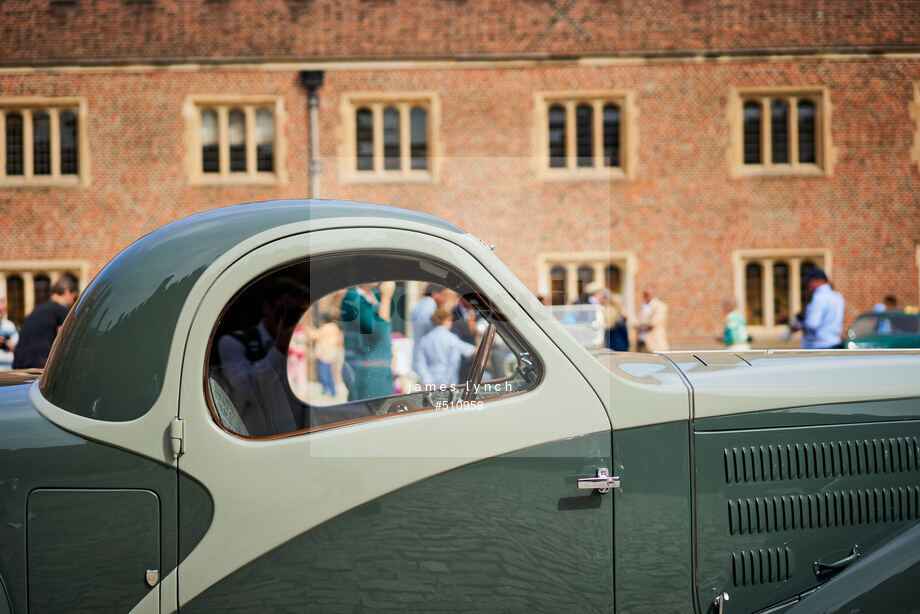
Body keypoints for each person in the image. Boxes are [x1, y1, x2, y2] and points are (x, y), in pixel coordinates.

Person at [216, 277, 309, 436]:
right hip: (259, 443)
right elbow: (249, 390)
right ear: (267, 307)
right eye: (286, 309)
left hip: (301, 436)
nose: (294, 316)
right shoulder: (234, 343)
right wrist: (280, 348)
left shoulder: (305, 343)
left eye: (300, 311)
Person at [341, 281, 396, 402]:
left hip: (382, 373)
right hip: (366, 375)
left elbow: (385, 334)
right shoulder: (351, 299)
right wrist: (386, 296)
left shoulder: (375, 296)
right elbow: (377, 330)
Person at [13, 274, 79, 369]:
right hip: (39, 363)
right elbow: (65, 340)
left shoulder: (39, 309)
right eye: (74, 298)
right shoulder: (60, 309)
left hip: (19, 363)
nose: (73, 303)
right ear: (67, 292)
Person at [413, 307, 476, 387]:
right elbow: (455, 361)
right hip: (448, 384)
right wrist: (445, 381)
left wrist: (427, 381)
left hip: (430, 383)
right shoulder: (451, 338)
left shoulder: (424, 340)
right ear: (444, 320)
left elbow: (420, 363)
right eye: (450, 320)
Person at [791, 267, 845, 349]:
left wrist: (798, 326)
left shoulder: (819, 297)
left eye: (809, 282)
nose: (807, 285)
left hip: (819, 346)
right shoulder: (838, 297)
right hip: (835, 342)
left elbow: (812, 324)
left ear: (817, 280)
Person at [310, 313, 342, 397]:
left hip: (324, 354)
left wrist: (308, 328)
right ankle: (332, 391)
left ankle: (326, 390)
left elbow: (315, 335)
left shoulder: (326, 328)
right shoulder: (335, 328)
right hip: (331, 354)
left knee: (324, 373)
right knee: (329, 373)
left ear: (324, 321)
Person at [634, 285, 669, 352]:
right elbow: (634, 323)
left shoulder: (660, 306)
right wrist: (642, 323)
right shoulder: (642, 307)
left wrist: (640, 322)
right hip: (641, 344)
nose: (645, 296)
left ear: (653, 294)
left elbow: (653, 322)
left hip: (655, 345)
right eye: (644, 294)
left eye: (647, 294)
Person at [0, 298, 19, 371]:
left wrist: (5, 342)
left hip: (8, 370)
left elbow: (15, 346)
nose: (1, 314)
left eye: (3, 311)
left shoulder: (10, 326)